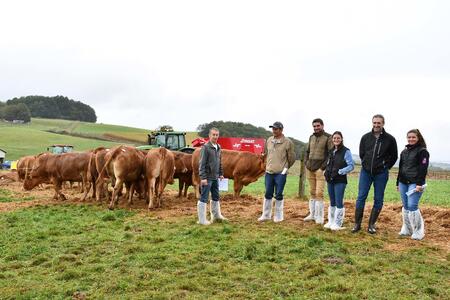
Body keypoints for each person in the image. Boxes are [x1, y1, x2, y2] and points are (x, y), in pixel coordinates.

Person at [352, 114, 398, 234]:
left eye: (379, 123)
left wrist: (385, 166)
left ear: (383, 124)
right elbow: (362, 154)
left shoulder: (390, 139)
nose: (376, 125)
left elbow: (394, 156)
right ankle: (357, 224)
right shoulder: (365, 137)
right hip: (366, 172)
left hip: (381, 174)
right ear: (372, 123)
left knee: (378, 199)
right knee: (361, 197)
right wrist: (367, 164)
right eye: (374, 123)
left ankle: (371, 225)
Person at [258, 121, 296, 222]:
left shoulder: (288, 142)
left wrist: (285, 168)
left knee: (279, 194)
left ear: (281, 130)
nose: (274, 131)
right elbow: (266, 153)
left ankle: (278, 216)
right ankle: (266, 215)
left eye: (276, 129)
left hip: (280, 173)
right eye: (273, 129)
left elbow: (291, 158)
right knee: (268, 193)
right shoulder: (269, 140)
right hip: (269, 172)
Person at [397, 129, 429, 240]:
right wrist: (398, 182)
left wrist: (419, 183)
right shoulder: (404, 152)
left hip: (415, 183)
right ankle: (407, 229)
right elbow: (400, 168)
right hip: (403, 182)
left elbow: (423, 168)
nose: (411, 139)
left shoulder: (422, 151)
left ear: (418, 138)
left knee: (412, 205)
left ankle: (418, 231)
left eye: (413, 137)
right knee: (405, 206)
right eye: (409, 137)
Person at [303, 118, 333, 224]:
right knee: (312, 192)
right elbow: (307, 152)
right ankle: (312, 214)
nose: (316, 128)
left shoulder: (328, 137)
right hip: (310, 168)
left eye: (318, 126)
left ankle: (319, 217)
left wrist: (322, 168)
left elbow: (330, 153)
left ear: (322, 126)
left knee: (319, 193)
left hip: (320, 169)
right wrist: (306, 163)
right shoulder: (311, 137)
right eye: (314, 126)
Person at [323, 131, 354, 230]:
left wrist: (340, 171)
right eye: (334, 138)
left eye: (338, 138)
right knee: (332, 201)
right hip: (330, 179)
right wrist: (326, 172)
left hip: (340, 180)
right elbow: (329, 163)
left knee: (338, 201)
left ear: (341, 139)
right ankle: (331, 221)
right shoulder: (331, 151)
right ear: (332, 139)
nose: (336, 140)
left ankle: (338, 223)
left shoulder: (346, 151)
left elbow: (351, 166)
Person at [197, 127, 227, 225]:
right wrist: (203, 178)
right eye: (213, 134)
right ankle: (202, 220)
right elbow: (201, 164)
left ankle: (216, 215)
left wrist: (221, 174)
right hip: (207, 178)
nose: (215, 136)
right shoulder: (205, 147)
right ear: (209, 135)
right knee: (204, 198)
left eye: (217, 135)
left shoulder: (218, 147)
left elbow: (219, 162)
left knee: (216, 196)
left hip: (215, 177)